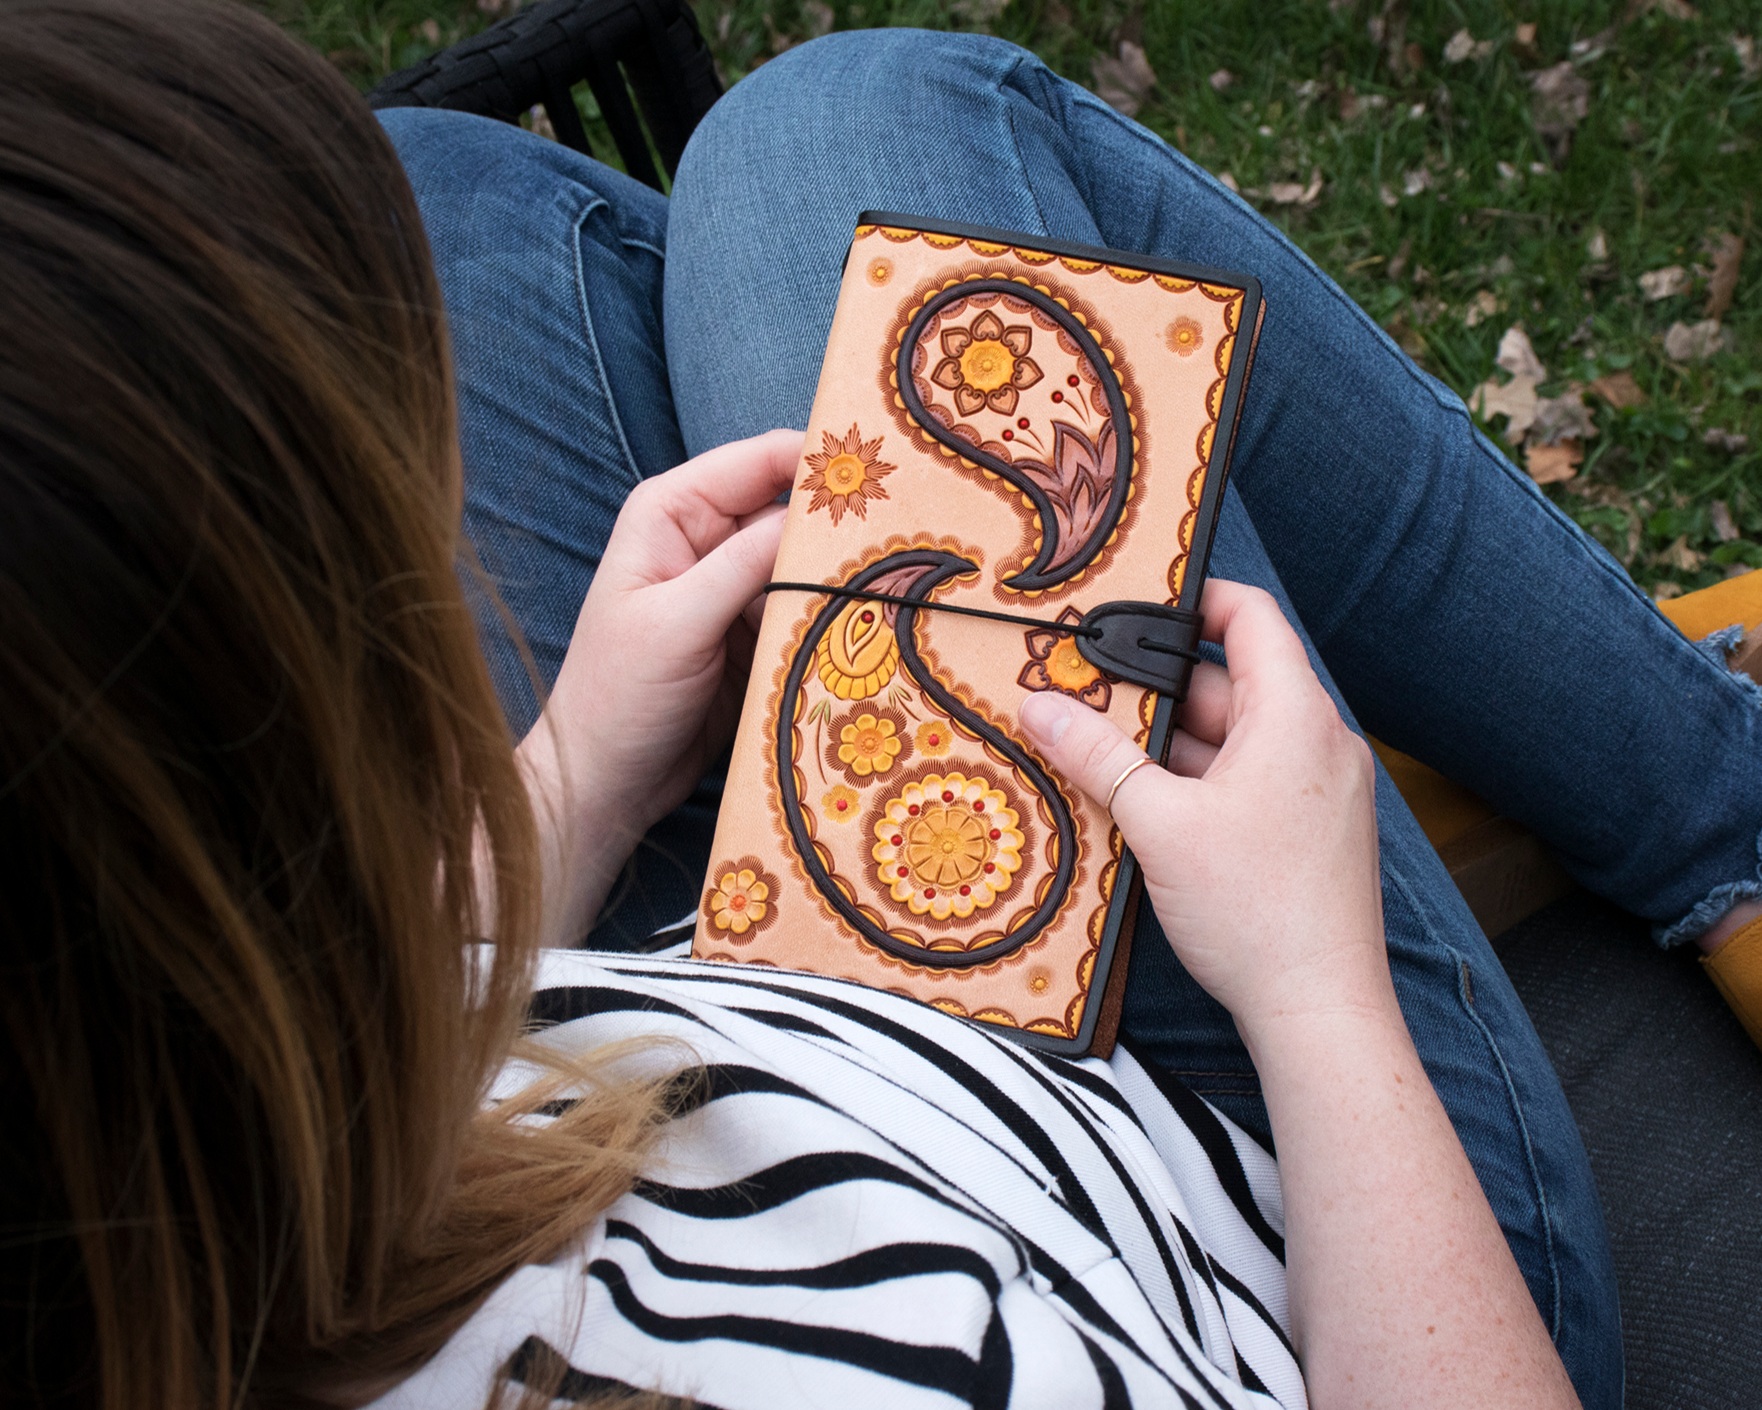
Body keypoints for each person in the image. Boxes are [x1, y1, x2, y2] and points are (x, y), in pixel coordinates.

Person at [5, 1, 1758, 1407]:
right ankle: (1726, 828)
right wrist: (1311, 982)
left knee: (451, 208)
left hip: (674, 1022)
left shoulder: (130, 1189)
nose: (440, 591)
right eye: (397, 597)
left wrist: (569, 787)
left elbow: (247, 1117)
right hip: (1295, 1234)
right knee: (867, 130)